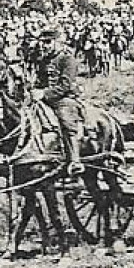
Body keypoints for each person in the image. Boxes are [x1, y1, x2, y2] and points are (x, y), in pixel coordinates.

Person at [32, 22, 83, 173]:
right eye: (42, 42)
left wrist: (44, 93)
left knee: (66, 121)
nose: (44, 46)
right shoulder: (43, 61)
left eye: (48, 42)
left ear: (57, 42)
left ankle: (75, 160)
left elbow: (65, 85)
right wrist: (34, 90)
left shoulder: (67, 59)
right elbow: (39, 81)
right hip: (44, 99)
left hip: (64, 99)